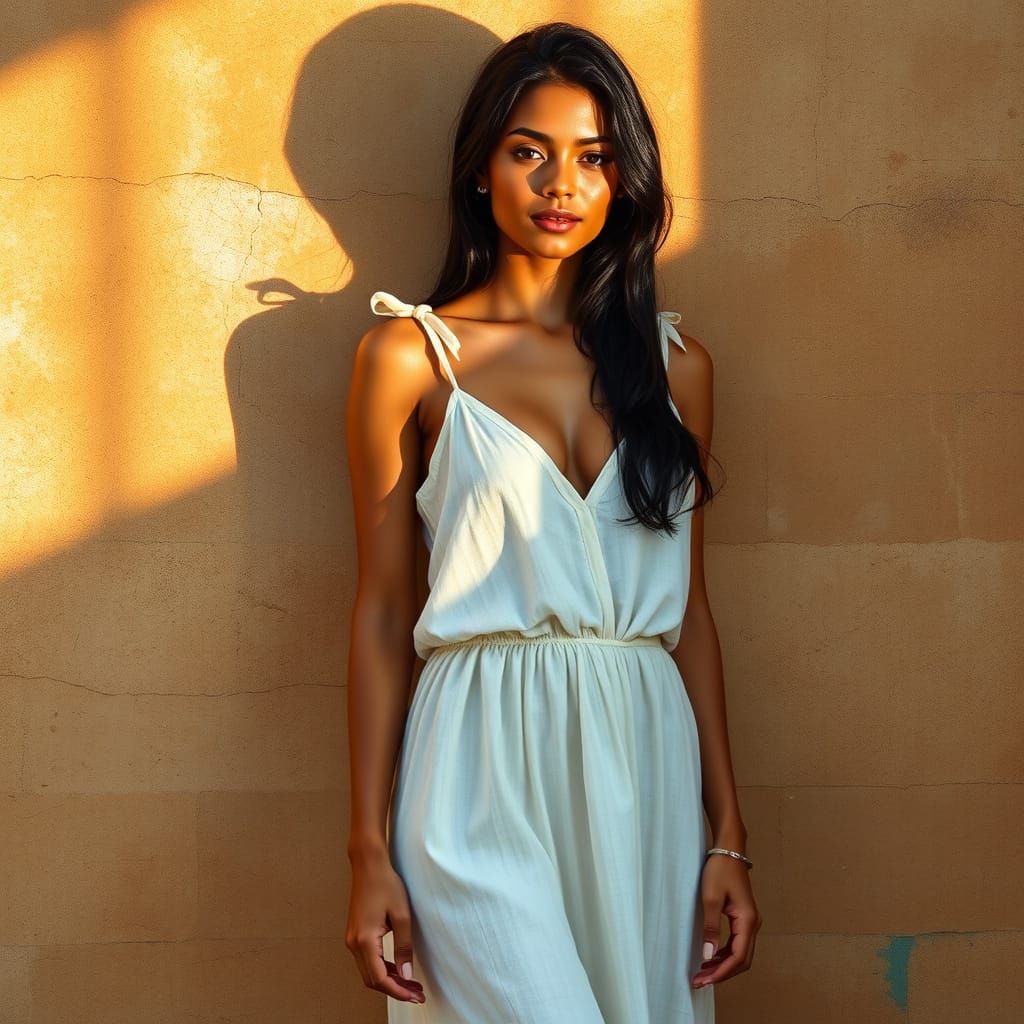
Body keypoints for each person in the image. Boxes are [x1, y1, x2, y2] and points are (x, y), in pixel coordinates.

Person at [344, 21, 760, 1023]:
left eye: (593, 157)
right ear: (480, 168)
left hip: (641, 755)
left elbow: (688, 615)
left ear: (625, 180)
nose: (559, 183)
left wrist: (728, 833)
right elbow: (381, 610)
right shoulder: (408, 357)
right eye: (528, 151)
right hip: (475, 759)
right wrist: (366, 849)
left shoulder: (678, 368)